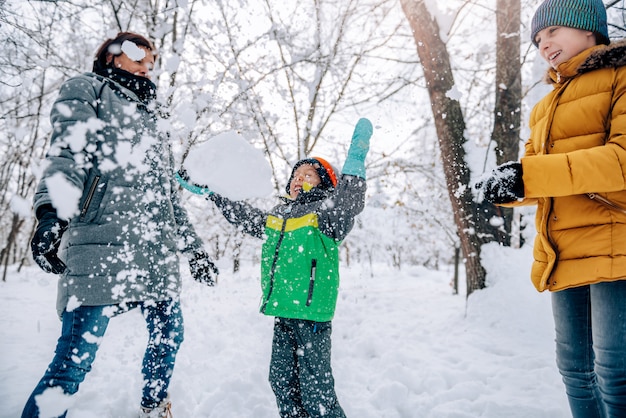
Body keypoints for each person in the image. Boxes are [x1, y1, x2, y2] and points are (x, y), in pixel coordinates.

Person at [24, 32, 218, 418]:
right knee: (74, 360)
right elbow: (68, 152)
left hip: (155, 253)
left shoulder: (156, 116)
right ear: (112, 56)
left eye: (152, 59)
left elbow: (167, 197)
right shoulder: (88, 89)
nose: (146, 65)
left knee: (169, 336)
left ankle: (152, 405)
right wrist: (51, 212)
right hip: (100, 242)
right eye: (137, 55)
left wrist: (194, 248)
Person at [476, 0, 626, 416]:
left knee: (615, 372)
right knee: (575, 371)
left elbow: (621, 160)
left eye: (553, 32)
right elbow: (540, 176)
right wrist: (510, 186)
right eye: (538, 40)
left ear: (588, 28)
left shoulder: (622, 77)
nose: (544, 44)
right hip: (562, 250)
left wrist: (531, 176)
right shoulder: (546, 106)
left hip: (616, 246)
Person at [178, 118, 373, 417]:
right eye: (297, 174)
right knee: (281, 381)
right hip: (283, 310)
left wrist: (355, 162)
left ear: (325, 184)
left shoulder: (327, 214)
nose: (300, 178)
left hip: (311, 315)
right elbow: (245, 216)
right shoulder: (277, 216)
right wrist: (213, 193)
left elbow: (348, 202)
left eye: (310, 174)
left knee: (316, 390)